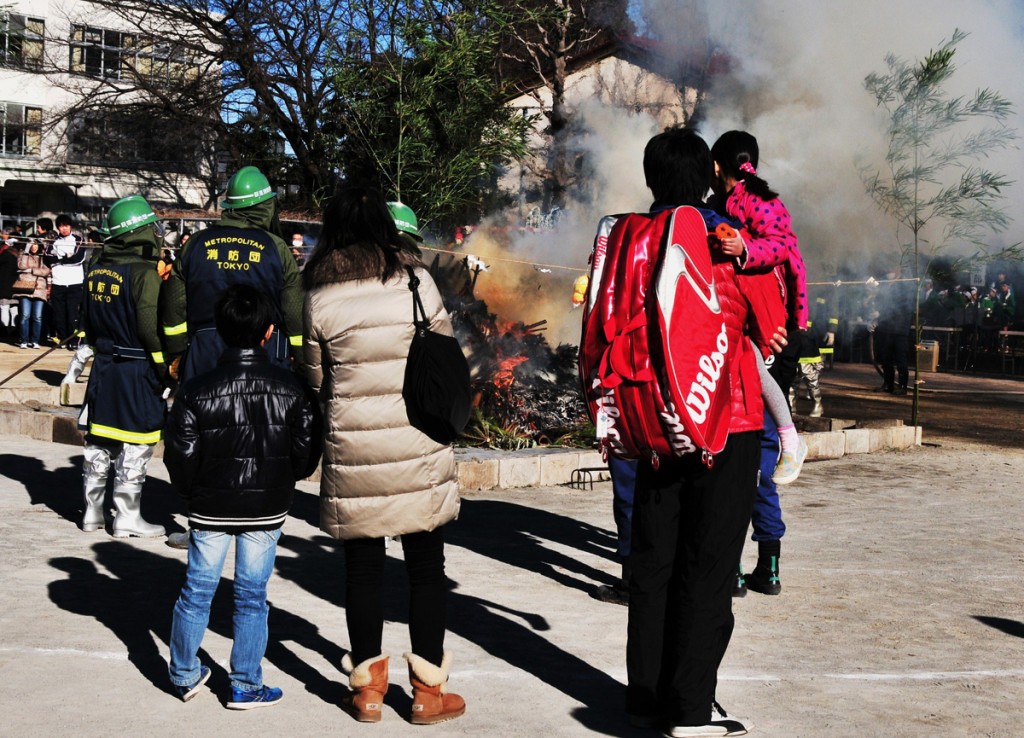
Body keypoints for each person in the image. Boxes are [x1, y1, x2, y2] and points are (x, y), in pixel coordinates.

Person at [301, 186, 465, 725]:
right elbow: (444, 353)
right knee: (426, 569)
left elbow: (316, 379)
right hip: (417, 442)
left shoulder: (318, 295)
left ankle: (368, 693)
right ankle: (427, 692)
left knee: (363, 572)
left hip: (356, 449)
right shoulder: (416, 279)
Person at [626, 127, 763, 736]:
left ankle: (646, 691)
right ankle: (690, 707)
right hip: (723, 416)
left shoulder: (634, 236)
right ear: (710, 176)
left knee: (655, 556)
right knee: (708, 563)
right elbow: (774, 316)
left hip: (654, 418)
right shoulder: (724, 239)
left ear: (651, 178)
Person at [164, 284, 321, 708]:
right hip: (266, 508)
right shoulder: (291, 389)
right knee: (252, 596)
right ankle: (245, 685)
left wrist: (193, 493)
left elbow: (179, 457)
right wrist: (283, 480)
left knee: (197, 590)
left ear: (220, 329)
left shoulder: (196, 390)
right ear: (270, 332)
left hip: (210, 506)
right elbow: (307, 452)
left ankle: (183, 674)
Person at [711, 130, 807, 484]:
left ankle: (788, 439)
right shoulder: (720, 202)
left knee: (756, 371)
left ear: (717, 165)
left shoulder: (761, 200)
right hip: (737, 303)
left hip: (763, 308)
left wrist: (745, 249)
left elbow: (784, 246)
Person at [160, 165, 303, 386]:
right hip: (265, 352)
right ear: (265, 206)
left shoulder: (195, 244)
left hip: (204, 351)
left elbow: (173, 307)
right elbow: (293, 312)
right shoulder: (276, 248)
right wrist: (300, 357)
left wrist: (177, 353)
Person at [79, 195, 168, 537]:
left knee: (99, 438)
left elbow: (86, 320)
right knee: (136, 441)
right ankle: (127, 518)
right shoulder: (145, 274)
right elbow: (149, 328)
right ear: (138, 232)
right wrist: (163, 368)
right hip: (135, 368)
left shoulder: (97, 268)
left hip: (103, 367)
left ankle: (92, 512)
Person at [46, 214, 87, 346]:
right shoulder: (53, 242)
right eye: (61, 226)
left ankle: (73, 340)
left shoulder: (78, 240)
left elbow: (78, 259)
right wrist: (66, 257)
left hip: (75, 283)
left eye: (66, 226)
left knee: (73, 313)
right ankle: (62, 339)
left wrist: (59, 258)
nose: (64, 229)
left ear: (70, 226)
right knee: (59, 314)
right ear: (57, 228)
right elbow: (47, 258)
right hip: (58, 282)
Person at [16, 240, 50, 348]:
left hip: (39, 289)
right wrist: (26, 252)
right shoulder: (22, 254)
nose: (33, 246)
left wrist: (31, 270)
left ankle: (35, 340)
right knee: (25, 315)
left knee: (37, 316)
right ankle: (24, 340)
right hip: (24, 288)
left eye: (35, 244)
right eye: (31, 244)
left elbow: (46, 271)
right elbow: (21, 266)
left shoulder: (43, 257)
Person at [0, 237, 18, 338]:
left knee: (4, 308)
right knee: (14, 308)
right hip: (16, 285)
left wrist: (4, 247)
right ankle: (14, 330)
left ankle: (4, 331)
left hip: (4, 285)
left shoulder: (5, 254)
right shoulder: (18, 255)